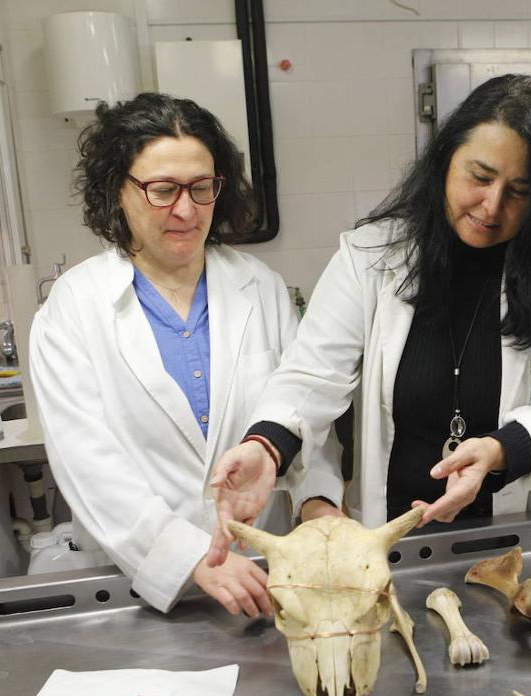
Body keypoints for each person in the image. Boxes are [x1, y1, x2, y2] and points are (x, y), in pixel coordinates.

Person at [207, 74, 531, 567]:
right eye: (480, 177)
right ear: (445, 160)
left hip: (518, 528)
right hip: (393, 531)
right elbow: (313, 374)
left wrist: (500, 451)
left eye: (520, 191)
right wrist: (267, 445)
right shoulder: (372, 258)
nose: (492, 206)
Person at [30, 93, 343, 618]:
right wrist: (190, 555)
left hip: (260, 578)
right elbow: (87, 461)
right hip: (137, 584)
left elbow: (304, 408)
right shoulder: (76, 306)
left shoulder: (260, 288)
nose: (185, 209)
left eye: (202, 188)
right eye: (161, 190)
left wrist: (318, 502)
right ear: (117, 190)